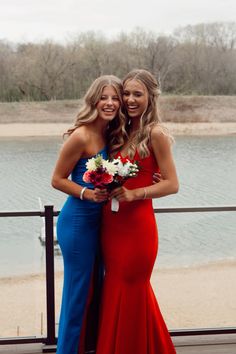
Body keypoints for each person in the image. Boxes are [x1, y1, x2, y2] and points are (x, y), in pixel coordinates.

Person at [96, 69, 179, 354]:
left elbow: (172, 184)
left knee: (132, 289)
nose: (130, 100)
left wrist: (136, 193)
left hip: (138, 228)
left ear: (150, 97)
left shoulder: (156, 133)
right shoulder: (118, 131)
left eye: (137, 94)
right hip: (112, 225)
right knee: (116, 288)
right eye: (126, 94)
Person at [51, 75, 126, 354]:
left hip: (102, 223)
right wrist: (85, 193)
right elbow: (57, 179)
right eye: (104, 97)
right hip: (77, 223)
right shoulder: (80, 135)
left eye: (115, 98)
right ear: (93, 100)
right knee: (78, 292)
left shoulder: (111, 134)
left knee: (96, 287)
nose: (109, 103)